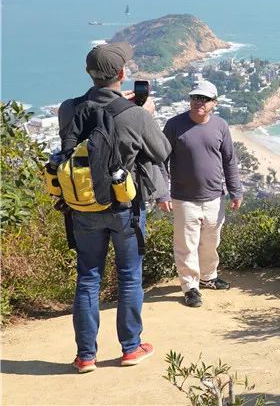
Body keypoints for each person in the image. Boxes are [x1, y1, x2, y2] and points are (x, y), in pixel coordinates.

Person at [58, 42, 171, 373]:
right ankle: (131, 348)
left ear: (89, 73)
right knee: (129, 276)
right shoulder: (134, 114)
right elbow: (162, 151)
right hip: (125, 207)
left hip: (82, 206)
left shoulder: (68, 108)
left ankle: (85, 356)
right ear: (122, 73)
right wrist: (144, 115)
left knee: (88, 277)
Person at [158, 79, 243, 308]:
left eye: (205, 99)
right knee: (186, 245)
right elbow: (161, 161)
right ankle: (190, 287)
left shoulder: (221, 126)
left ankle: (208, 277)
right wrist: (163, 194)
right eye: (196, 97)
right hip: (183, 198)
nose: (199, 102)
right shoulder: (174, 125)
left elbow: (229, 160)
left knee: (211, 242)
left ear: (214, 103)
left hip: (214, 196)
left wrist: (236, 190)